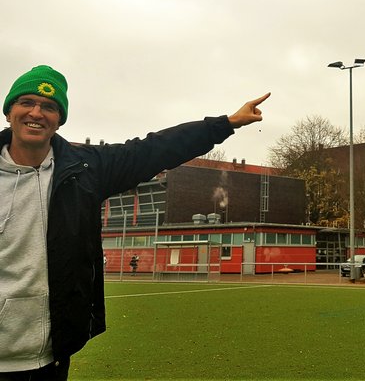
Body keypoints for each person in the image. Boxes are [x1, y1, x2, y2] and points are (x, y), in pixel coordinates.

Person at [0, 65, 269, 380]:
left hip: (49, 356)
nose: (37, 112)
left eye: (49, 106)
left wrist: (226, 123)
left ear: (60, 119)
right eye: (27, 103)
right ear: (9, 111)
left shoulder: (87, 168)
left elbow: (154, 149)